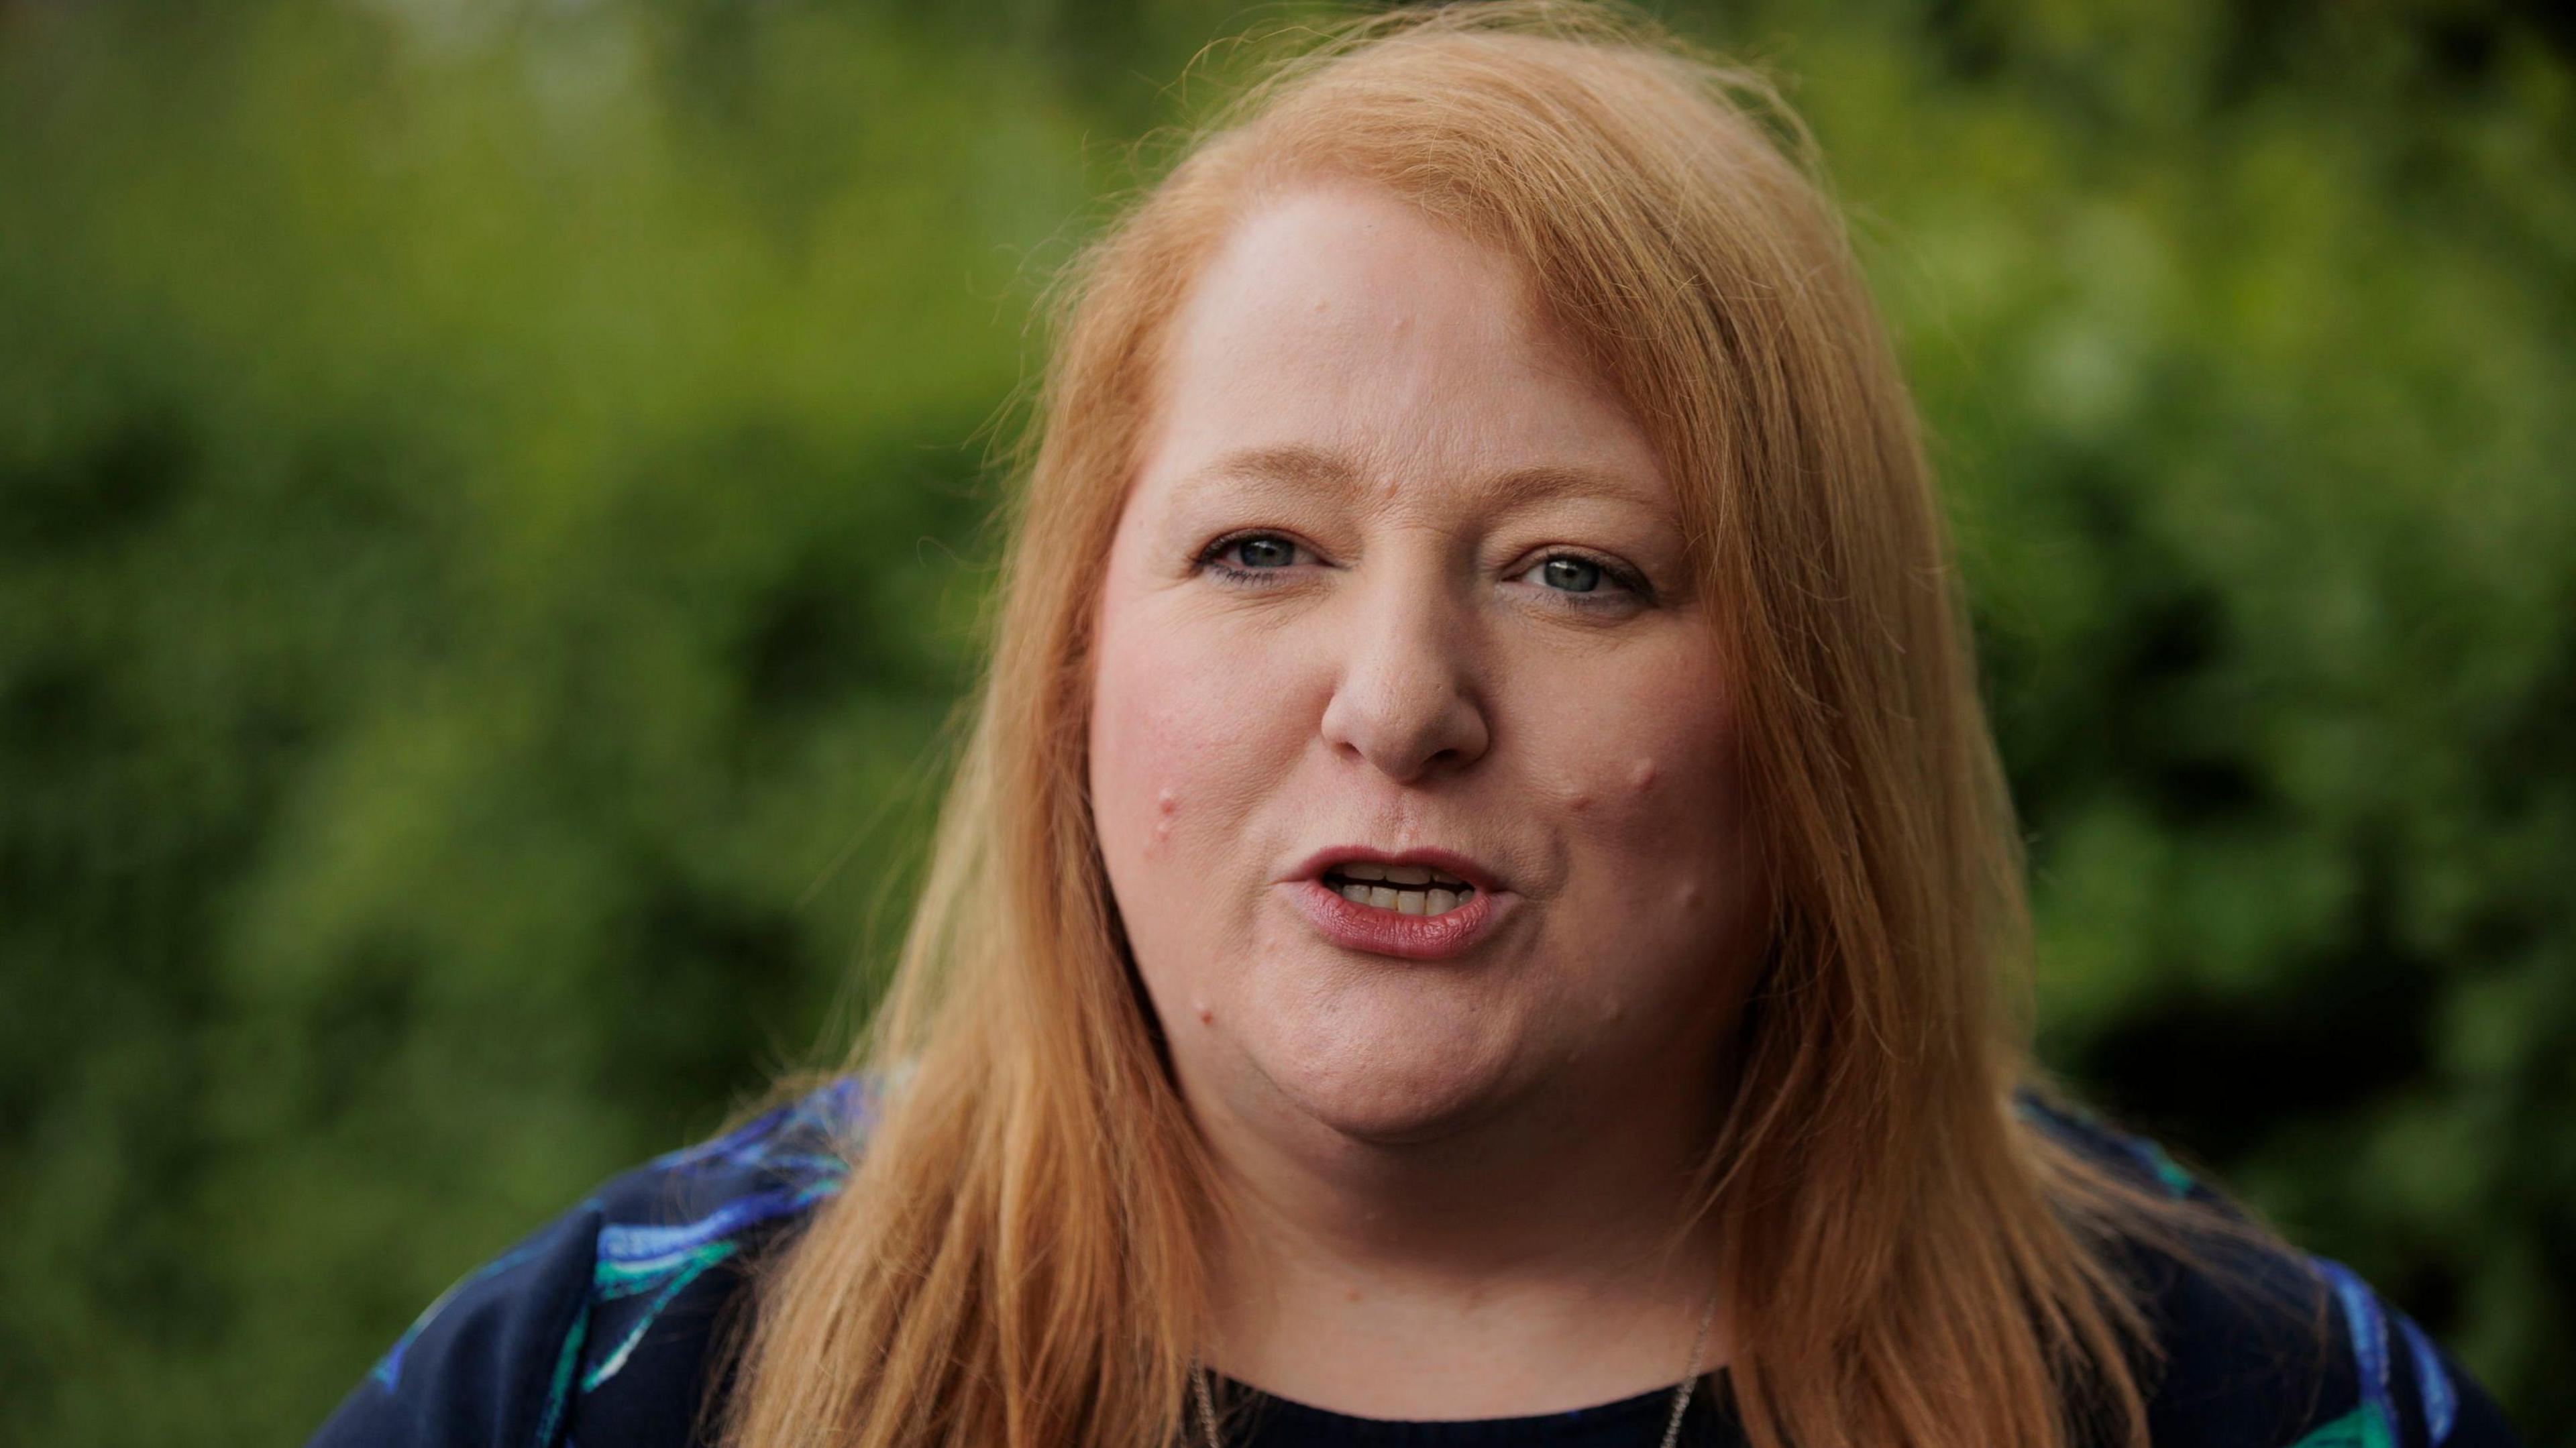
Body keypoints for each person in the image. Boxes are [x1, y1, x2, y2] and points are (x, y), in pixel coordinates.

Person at [306, 5, 2521, 1447]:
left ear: (1818, 700)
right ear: (1077, 657)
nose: (1399, 703)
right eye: (1261, 550)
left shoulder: (2229, 1396)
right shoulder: (623, 1378)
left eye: (1580, 570)